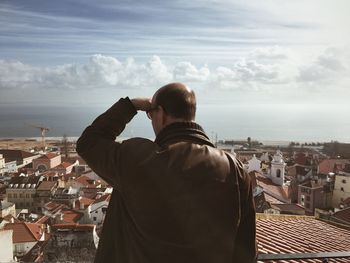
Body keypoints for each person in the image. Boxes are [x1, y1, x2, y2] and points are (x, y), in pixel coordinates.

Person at [76, 82, 257, 263]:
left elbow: (89, 142)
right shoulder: (235, 169)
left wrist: (130, 105)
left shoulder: (138, 158)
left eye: (151, 114)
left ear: (160, 114)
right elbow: (245, 249)